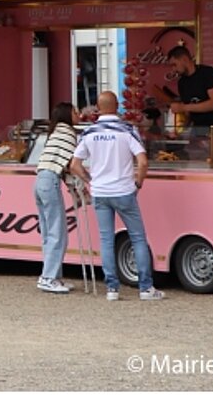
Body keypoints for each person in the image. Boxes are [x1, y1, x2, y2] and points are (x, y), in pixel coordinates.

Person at [68, 91, 163, 302]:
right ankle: (146, 288)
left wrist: (89, 180)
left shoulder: (89, 133)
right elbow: (143, 162)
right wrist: (138, 182)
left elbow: (74, 165)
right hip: (124, 190)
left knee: (106, 240)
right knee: (137, 238)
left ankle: (112, 288)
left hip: (100, 192)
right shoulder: (127, 130)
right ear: (117, 106)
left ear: (97, 108)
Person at [34, 102, 79, 294]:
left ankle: (53, 275)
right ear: (68, 115)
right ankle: (48, 278)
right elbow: (71, 165)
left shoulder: (54, 133)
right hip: (51, 181)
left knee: (49, 232)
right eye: (75, 111)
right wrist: (81, 185)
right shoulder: (69, 133)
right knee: (58, 233)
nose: (78, 114)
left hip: (40, 181)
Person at [160, 46, 213, 133]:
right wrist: (177, 129)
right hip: (199, 131)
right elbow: (188, 112)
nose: (173, 69)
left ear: (184, 59)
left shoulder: (208, 73)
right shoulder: (182, 82)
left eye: (174, 65)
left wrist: (183, 107)